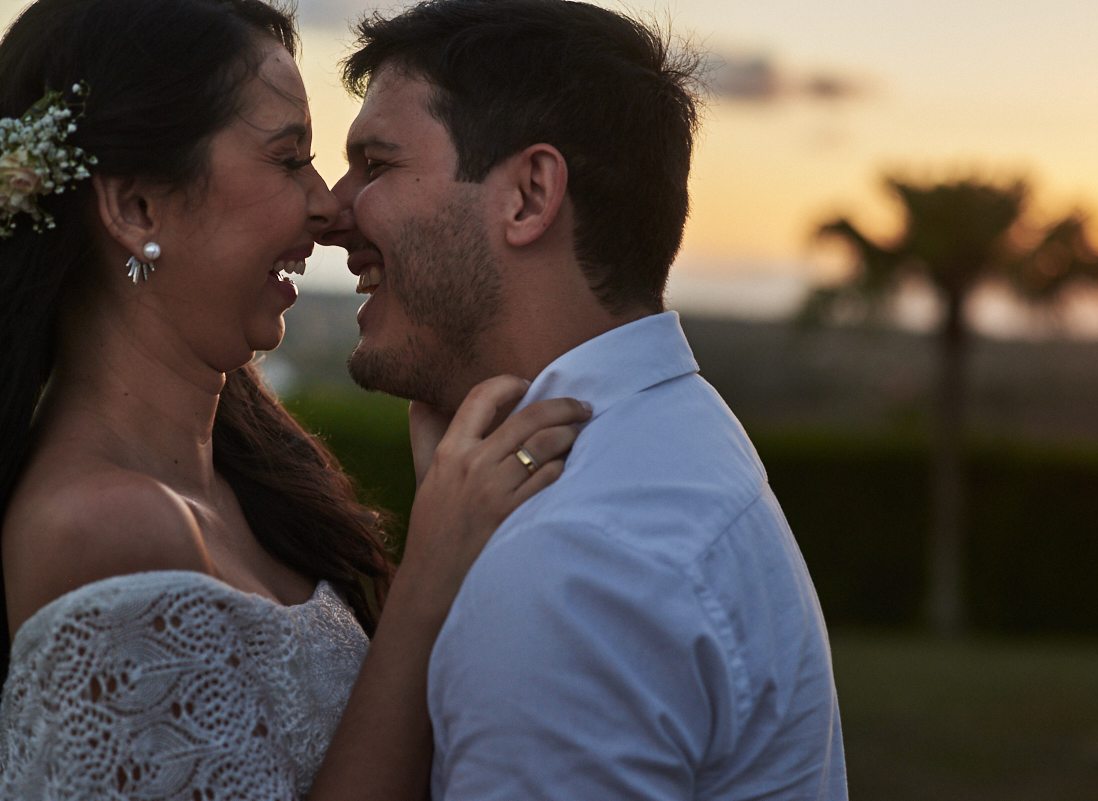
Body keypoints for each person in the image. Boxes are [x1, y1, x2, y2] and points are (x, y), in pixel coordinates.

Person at [0, 0, 589, 798]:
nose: (327, 204)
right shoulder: (102, 526)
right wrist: (431, 571)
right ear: (136, 207)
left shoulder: (252, 476)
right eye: (289, 160)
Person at [321, 1, 849, 798]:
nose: (333, 207)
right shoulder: (674, 439)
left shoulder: (573, 563)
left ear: (529, 195)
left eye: (377, 163)